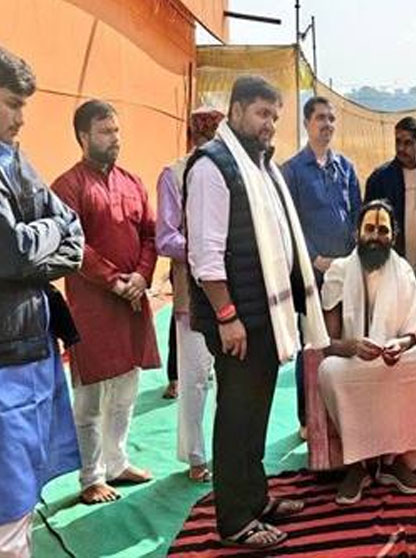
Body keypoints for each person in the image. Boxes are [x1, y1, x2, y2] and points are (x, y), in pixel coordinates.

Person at [185, 75, 329, 549]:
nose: (270, 125)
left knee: (256, 414)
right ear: (236, 110)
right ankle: (234, 521)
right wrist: (227, 317)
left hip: (264, 317)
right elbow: (205, 256)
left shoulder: (259, 165)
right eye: (262, 114)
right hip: (238, 320)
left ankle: (255, 497)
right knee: (236, 418)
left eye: (275, 117)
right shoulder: (213, 167)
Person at [52, 99, 160, 505]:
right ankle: (91, 477)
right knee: (90, 396)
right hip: (92, 306)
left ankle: (117, 462)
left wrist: (142, 277)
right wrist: (115, 281)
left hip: (132, 300)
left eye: (116, 130)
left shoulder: (133, 182)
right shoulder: (67, 186)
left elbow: (150, 235)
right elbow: (73, 246)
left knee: (127, 387)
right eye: (105, 132)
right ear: (83, 136)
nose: (115, 138)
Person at [0, 46, 83, 558]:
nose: (21, 118)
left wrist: (40, 239)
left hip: (30, 343)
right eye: (12, 104)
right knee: (7, 502)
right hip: (5, 356)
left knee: (23, 492)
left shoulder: (17, 162)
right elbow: (10, 251)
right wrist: (50, 233)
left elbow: (74, 237)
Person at [317, 200, 416, 504]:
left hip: (391, 361)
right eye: (369, 229)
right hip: (353, 363)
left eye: (383, 231)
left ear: (393, 236)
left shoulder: (403, 271)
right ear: (357, 233)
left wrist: (401, 344)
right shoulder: (339, 272)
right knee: (329, 370)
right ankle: (357, 467)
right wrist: (353, 346)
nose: (375, 237)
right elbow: (327, 343)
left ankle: (393, 462)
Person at [282, 96, 362, 439]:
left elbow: (357, 214)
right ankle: (308, 417)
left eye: (331, 119)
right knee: (313, 343)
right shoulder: (292, 171)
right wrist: (315, 258)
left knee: (345, 337)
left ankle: (341, 413)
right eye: (320, 118)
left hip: (346, 271)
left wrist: (353, 256)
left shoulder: (345, 167)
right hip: (311, 272)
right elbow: (290, 223)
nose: (327, 124)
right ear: (306, 124)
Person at [155, 106, 224, 484]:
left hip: (233, 288)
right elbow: (166, 238)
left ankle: (229, 450)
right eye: (205, 135)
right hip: (192, 292)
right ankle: (196, 456)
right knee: (195, 377)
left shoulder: (234, 169)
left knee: (230, 378)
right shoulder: (174, 174)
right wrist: (207, 249)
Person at [364, 117, 416, 283]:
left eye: (407, 143)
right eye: (398, 142)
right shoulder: (379, 179)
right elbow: (367, 226)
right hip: (388, 269)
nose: (401, 148)